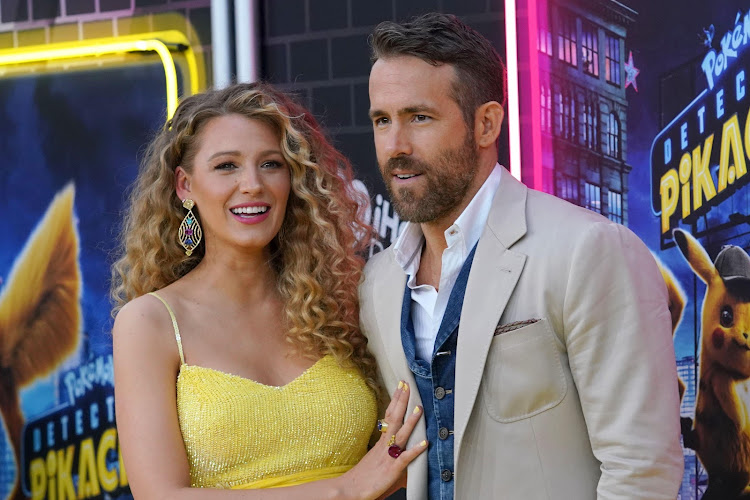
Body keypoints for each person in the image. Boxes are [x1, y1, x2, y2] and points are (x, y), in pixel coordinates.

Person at [360, 12, 684, 499]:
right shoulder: (378, 283)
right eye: (382, 121)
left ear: (486, 123)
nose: (395, 146)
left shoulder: (587, 250)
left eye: (419, 117)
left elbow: (642, 469)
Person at [111, 82, 426, 499]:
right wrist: (344, 490)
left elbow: (400, 452)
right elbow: (161, 495)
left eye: (271, 164)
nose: (252, 184)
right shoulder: (149, 323)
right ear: (185, 185)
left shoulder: (343, 303)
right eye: (226, 166)